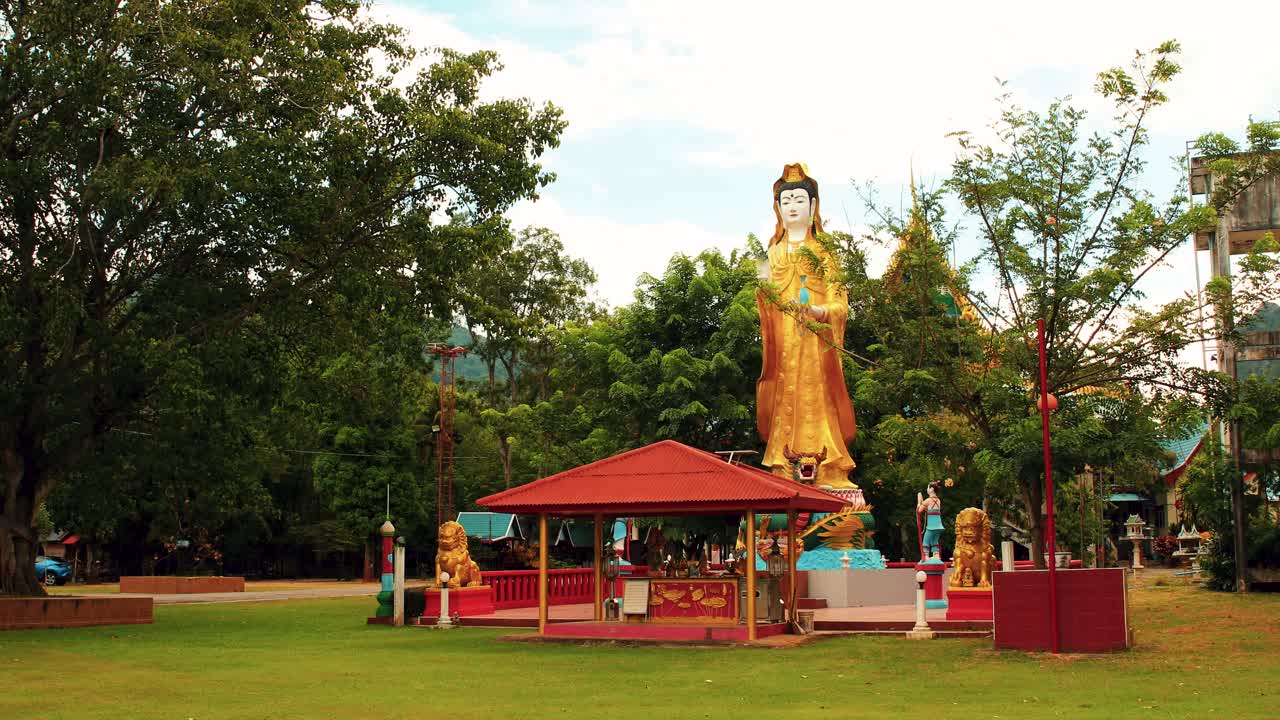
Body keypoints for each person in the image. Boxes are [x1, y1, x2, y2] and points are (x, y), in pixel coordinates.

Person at [755, 163, 857, 488]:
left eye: (799, 200)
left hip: (815, 346)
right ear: (778, 208)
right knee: (784, 400)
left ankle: (830, 468)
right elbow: (760, 301)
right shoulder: (771, 256)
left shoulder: (824, 254)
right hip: (783, 347)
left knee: (817, 399)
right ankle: (781, 467)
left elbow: (841, 304)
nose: (792, 207)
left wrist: (818, 311)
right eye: (786, 201)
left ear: (813, 207)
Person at [917, 482, 943, 560]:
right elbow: (929, 509)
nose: (927, 489)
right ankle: (936, 555)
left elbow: (919, 510)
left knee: (926, 541)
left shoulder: (928, 500)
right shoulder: (938, 500)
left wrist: (919, 503)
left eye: (928, 488)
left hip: (931, 526)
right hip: (939, 525)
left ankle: (926, 556)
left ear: (931, 489)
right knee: (934, 541)